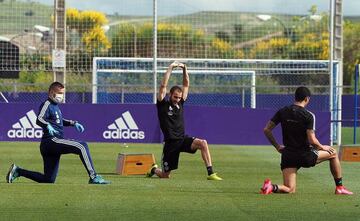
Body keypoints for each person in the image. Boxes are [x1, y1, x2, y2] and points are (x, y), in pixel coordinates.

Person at [6, 82, 110, 184]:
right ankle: (93, 176)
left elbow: (59, 120)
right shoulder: (46, 104)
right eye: (60, 93)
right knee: (82, 146)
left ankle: (18, 171)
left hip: (51, 145)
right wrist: (47, 125)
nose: (62, 96)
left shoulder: (55, 106)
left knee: (48, 179)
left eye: (63, 93)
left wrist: (73, 123)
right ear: (51, 93)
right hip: (51, 140)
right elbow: (39, 119)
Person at [260, 86, 352, 195]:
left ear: (295, 97)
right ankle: (339, 187)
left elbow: (267, 130)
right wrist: (323, 147)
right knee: (333, 153)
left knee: (289, 189)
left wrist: (277, 146)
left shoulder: (283, 111)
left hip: (288, 155)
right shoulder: (308, 115)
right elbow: (312, 140)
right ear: (307, 99)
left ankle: (271, 187)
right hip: (304, 156)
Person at [146, 61, 222, 180]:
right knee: (165, 176)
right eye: (175, 97)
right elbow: (162, 86)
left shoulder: (181, 103)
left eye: (179, 97)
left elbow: (186, 85)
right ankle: (154, 169)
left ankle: (211, 173)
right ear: (170, 95)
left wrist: (184, 68)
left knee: (203, 143)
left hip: (182, 139)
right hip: (170, 144)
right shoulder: (162, 104)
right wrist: (170, 67)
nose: (177, 99)